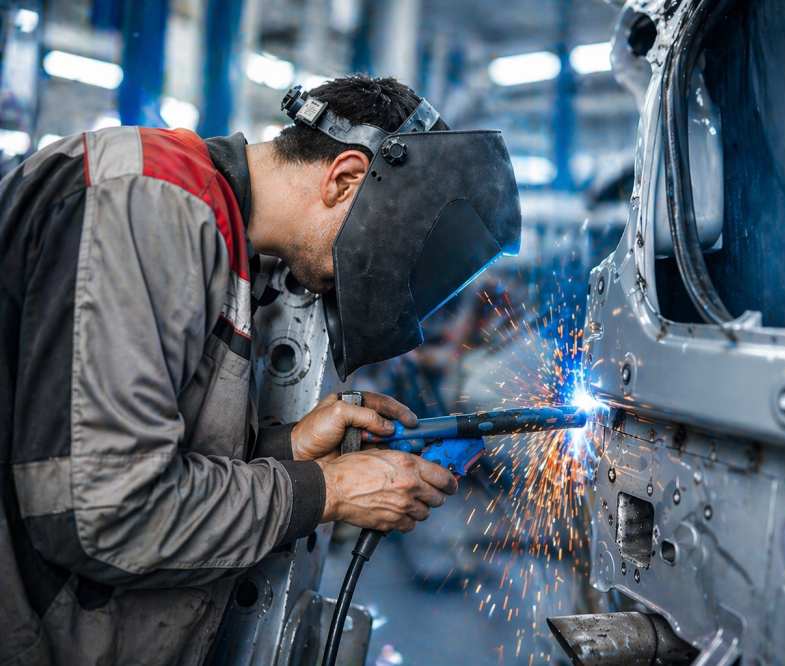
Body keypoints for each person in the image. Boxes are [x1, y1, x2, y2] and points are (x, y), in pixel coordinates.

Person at [0, 75, 519, 665]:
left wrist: (289, 447)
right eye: (396, 254)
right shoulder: (151, 203)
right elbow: (106, 513)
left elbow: (116, 450)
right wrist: (331, 490)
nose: (380, 280)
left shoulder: (214, 235)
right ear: (345, 178)